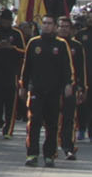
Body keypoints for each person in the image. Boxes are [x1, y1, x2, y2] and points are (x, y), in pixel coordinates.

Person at [20, 16, 76, 165]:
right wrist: (23, 86)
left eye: (49, 24)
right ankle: (32, 154)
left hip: (54, 91)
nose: (46, 26)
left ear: (55, 26)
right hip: (36, 90)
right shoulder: (33, 43)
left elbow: (67, 68)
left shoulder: (61, 44)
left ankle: (49, 155)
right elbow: (26, 67)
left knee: (52, 124)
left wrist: (68, 84)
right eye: (44, 23)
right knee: (34, 122)